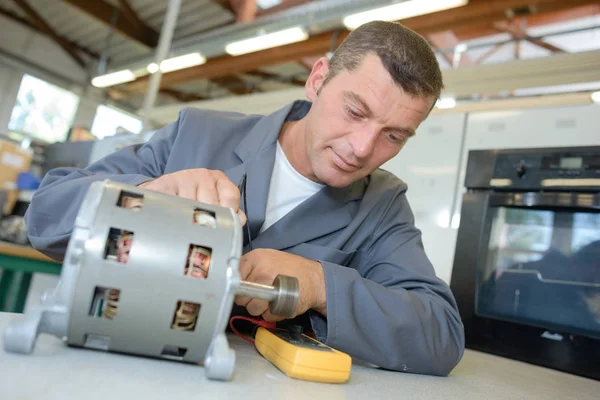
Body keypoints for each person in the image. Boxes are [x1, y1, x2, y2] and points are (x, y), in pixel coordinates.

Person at [25, 21, 465, 376]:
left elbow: (440, 334)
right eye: (354, 112)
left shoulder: (382, 205)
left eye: (393, 136)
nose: (363, 148)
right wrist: (143, 197)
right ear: (318, 80)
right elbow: (46, 215)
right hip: (114, 366)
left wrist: (318, 283)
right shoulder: (197, 134)